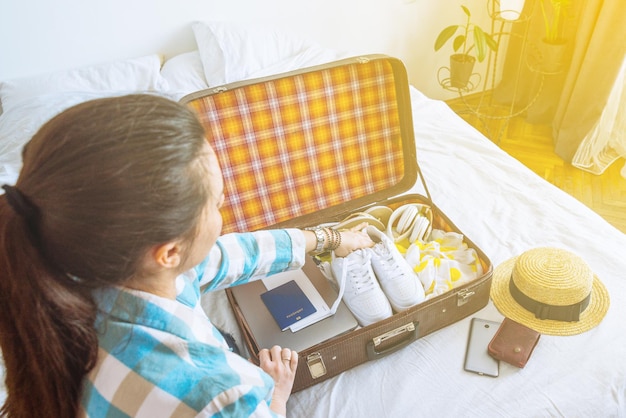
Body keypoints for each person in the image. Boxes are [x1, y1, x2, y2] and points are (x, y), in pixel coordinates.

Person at [0, 94, 373, 417]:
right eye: (216, 204)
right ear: (168, 253)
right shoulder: (220, 395)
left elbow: (223, 257)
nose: (223, 210)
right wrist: (275, 396)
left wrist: (325, 238)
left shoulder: (68, 263)